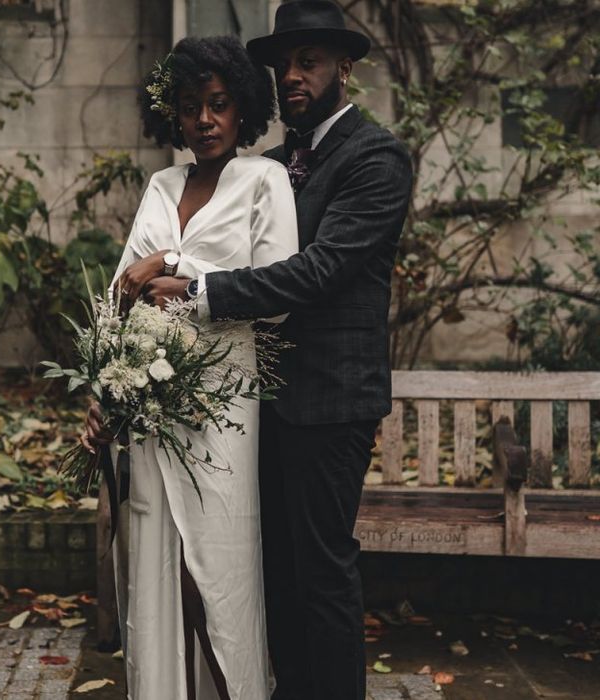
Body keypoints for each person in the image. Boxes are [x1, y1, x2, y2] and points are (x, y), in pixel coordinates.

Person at [131, 3, 414, 699]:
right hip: (263, 402)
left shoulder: (375, 157)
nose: (292, 75)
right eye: (284, 63)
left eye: (308, 61)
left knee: (322, 571)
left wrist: (190, 290)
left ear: (343, 67)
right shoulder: (274, 163)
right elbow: (224, 238)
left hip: (333, 399)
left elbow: (316, 272)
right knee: (276, 572)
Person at [84, 35, 299, 699]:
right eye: (190, 106)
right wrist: (103, 392)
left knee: (215, 568)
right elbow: (119, 295)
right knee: (155, 566)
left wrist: (178, 265)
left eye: (219, 104)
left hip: (223, 405)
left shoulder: (264, 179)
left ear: (243, 112)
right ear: (170, 115)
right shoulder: (159, 183)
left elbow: (279, 295)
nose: (204, 120)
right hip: (150, 407)